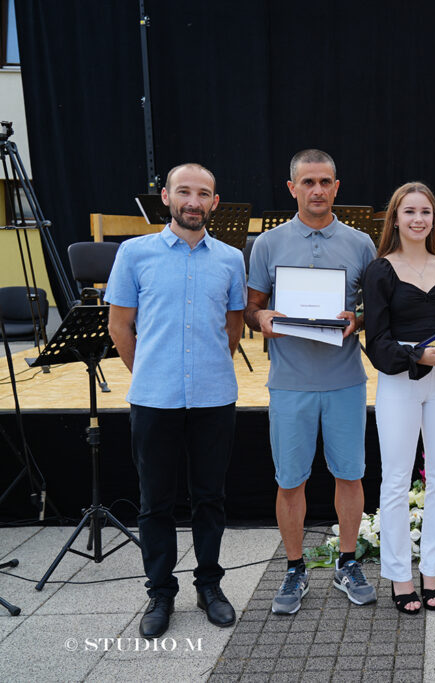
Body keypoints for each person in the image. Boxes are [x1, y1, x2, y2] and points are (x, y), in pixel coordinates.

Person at [106, 163, 246, 637]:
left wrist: (204, 366)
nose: (193, 201)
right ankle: (160, 593)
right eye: (183, 191)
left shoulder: (230, 259)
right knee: (155, 503)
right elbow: (120, 327)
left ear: (214, 202)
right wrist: (149, 373)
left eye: (202, 193)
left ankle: (210, 585)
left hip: (213, 398)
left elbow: (232, 329)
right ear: (165, 196)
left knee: (210, 498)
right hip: (154, 399)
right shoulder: (133, 253)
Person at [245, 149, 378, 614]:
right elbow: (251, 305)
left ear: (337, 187)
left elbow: (374, 309)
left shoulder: (361, 242)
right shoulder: (267, 244)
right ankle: (295, 568)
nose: (317, 190)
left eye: (325, 181)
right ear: (292, 188)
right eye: (308, 182)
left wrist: (356, 319)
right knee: (290, 481)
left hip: (344, 379)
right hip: (290, 383)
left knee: (350, 475)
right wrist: (261, 316)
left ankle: (346, 560)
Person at [362, 182, 435, 614]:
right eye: (410, 212)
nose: (418, 219)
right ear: (396, 219)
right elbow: (377, 344)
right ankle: (401, 575)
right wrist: (419, 354)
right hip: (400, 382)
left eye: (425, 211)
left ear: (433, 218)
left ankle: (432, 571)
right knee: (397, 480)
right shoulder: (380, 271)